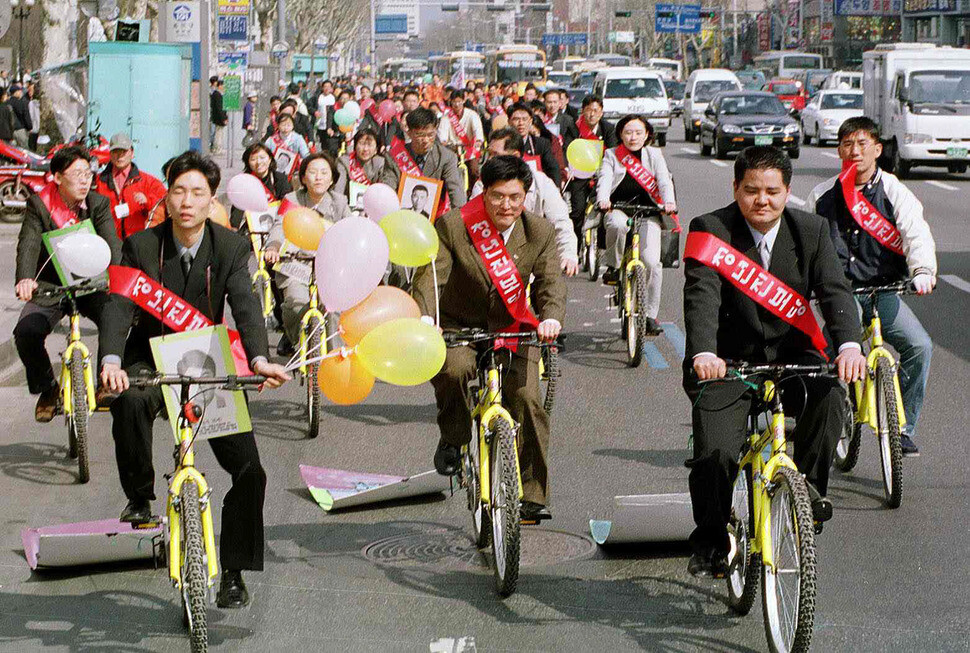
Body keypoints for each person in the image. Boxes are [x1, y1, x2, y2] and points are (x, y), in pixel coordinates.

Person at [98, 151, 290, 608]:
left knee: (250, 470)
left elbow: (244, 303)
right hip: (149, 356)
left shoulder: (230, 246)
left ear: (211, 201)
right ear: (166, 196)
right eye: (179, 191)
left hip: (206, 359)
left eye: (198, 193)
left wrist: (259, 359)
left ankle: (235, 572)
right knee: (127, 398)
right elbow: (119, 306)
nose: (187, 201)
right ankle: (140, 497)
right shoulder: (141, 245)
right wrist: (110, 358)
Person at [682, 145, 866, 577]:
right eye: (751, 191)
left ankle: (808, 495)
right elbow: (701, 296)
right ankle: (710, 538)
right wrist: (704, 352)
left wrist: (849, 346)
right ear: (735, 188)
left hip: (793, 356)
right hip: (727, 362)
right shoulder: (711, 229)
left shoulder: (812, 230)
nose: (761, 201)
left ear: (787, 192)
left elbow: (835, 292)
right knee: (715, 452)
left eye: (771, 191)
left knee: (831, 401)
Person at [412, 155, 566, 522]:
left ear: (526, 195)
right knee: (453, 371)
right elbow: (432, 276)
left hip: (514, 327)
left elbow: (551, 283)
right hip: (459, 326)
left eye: (515, 196)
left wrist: (550, 319)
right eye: (498, 196)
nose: (506, 205)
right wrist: (426, 316)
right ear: (484, 193)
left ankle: (531, 494)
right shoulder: (453, 225)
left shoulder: (539, 231)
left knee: (528, 399)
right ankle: (453, 436)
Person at [806, 117, 936, 456]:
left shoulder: (894, 190)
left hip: (885, 290)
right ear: (838, 151)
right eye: (848, 144)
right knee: (827, 359)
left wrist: (922, 270)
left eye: (863, 144)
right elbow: (806, 249)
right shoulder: (821, 196)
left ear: (877, 149)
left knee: (919, 347)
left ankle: (903, 427)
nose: (855, 151)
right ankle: (828, 420)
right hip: (840, 294)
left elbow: (915, 232)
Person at [14, 146, 122, 421]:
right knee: (26, 331)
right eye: (77, 174)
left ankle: (105, 383)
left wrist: (118, 276)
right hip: (52, 285)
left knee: (116, 315)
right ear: (58, 178)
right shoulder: (40, 204)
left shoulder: (98, 204)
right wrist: (26, 278)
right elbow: (28, 242)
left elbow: (112, 245)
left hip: (91, 283)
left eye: (88, 173)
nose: (85, 180)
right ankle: (48, 389)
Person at [596, 115, 676, 335]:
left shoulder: (654, 154)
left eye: (638, 132)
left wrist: (669, 202)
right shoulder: (612, 155)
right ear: (620, 134)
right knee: (618, 226)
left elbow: (663, 179)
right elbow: (604, 178)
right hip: (618, 208)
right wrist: (603, 199)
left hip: (649, 212)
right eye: (628, 132)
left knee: (651, 262)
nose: (633, 137)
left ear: (647, 134)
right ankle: (613, 266)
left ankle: (650, 315)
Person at [264, 152, 351, 350]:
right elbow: (279, 226)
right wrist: (273, 246)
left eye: (324, 172)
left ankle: (334, 357)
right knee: (296, 305)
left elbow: (349, 231)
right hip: (297, 265)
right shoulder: (292, 199)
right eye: (312, 172)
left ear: (332, 179)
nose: (318, 177)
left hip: (329, 268)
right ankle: (296, 339)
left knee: (333, 309)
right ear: (303, 178)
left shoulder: (340, 202)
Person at [471, 127, 578, 276]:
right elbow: (472, 221)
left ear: (515, 155)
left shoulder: (542, 182)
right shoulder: (482, 184)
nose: (489, 159)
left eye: (495, 155)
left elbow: (561, 221)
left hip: (532, 257)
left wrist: (568, 254)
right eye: (488, 154)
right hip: (492, 256)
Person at [379, 107, 467, 217]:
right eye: (420, 135)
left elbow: (456, 193)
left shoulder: (446, 157)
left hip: (435, 219)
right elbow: (388, 189)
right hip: (401, 217)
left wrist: (461, 219)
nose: (425, 140)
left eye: (430, 135)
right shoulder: (394, 156)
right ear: (409, 133)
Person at [93, 132, 168, 240]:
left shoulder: (149, 182)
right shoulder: (97, 182)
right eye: (115, 151)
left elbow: (165, 204)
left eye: (123, 151)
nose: (119, 156)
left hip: (138, 243)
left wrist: (148, 201)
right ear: (110, 154)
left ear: (132, 153)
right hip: (108, 243)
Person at [567, 95, 617, 241]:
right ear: (583, 111)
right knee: (577, 211)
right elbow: (567, 150)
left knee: (605, 209)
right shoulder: (574, 128)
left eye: (596, 110)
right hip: (579, 176)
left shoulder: (608, 129)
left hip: (602, 175)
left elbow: (612, 152)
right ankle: (575, 246)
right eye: (588, 110)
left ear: (601, 112)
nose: (592, 114)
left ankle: (602, 246)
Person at [229, 142, 293, 230]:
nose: (258, 162)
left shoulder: (280, 179)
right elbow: (237, 211)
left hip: (278, 224)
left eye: (262, 158)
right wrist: (234, 229)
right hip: (254, 226)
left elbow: (287, 205)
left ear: (270, 159)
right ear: (247, 162)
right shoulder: (244, 182)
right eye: (253, 159)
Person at [436, 88, 485, 191]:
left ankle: (472, 192)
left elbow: (478, 131)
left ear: (463, 101)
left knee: (474, 170)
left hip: (470, 149)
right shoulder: (446, 118)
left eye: (459, 102)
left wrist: (478, 141)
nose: (456, 105)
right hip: (453, 149)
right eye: (454, 102)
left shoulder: (472, 115)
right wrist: (445, 143)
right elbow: (442, 136)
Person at [507, 102, 561, 186]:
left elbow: (553, 168)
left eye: (524, 119)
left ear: (530, 121)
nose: (521, 123)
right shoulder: (503, 144)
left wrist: (556, 188)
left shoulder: (541, 144)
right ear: (509, 122)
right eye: (516, 119)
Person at [334, 129, 388, 208]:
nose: (365, 149)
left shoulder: (381, 163)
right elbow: (338, 193)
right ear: (355, 146)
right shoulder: (344, 162)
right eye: (362, 144)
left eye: (369, 145)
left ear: (376, 150)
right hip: (348, 207)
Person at [265, 113, 310, 181]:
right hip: (274, 172)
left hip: (293, 172)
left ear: (293, 126)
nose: (286, 128)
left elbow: (305, 155)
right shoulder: (271, 140)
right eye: (283, 125)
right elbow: (265, 155)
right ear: (278, 125)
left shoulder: (298, 138)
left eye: (288, 125)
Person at [541, 88, 579, 157]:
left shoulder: (568, 120)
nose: (552, 105)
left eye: (555, 102)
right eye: (549, 102)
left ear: (559, 103)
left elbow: (574, 138)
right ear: (544, 103)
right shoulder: (541, 120)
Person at [8, 84, 31, 148]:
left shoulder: (6, 104)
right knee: (25, 150)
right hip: (21, 130)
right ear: (16, 92)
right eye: (19, 91)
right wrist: (29, 127)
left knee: (14, 152)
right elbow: (26, 116)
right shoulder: (21, 103)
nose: (21, 93)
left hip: (11, 132)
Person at [27, 82, 40, 151]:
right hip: (38, 129)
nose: (29, 92)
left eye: (31, 90)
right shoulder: (39, 102)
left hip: (34, 129)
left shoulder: (32, 103)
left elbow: (31, 116)